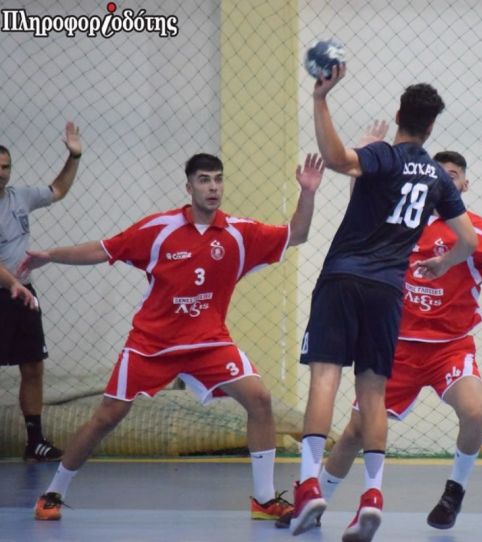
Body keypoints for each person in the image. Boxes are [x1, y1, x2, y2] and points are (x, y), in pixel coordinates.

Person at [23, 152, 325, 521]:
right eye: (204, 180)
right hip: (152, 345)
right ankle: (54, 491)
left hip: (208, 343)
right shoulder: (158, 229)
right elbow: (104, 250)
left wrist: (307, 193)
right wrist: (51, 255)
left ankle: (263, 500)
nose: (213, 187)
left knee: (260, 399)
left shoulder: (239, 234)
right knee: (107, 417)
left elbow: (298, 234)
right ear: (189, 187)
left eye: (217, 179)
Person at [307, 149, 482, 530]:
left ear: (463, 185)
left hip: (450, 347)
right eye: (439, 173)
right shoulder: (400, 222)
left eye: (453, 174)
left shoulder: (475, 231)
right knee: (354, 433)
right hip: (397, 348)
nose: (444, 179)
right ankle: (314, 501)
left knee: (474, 410)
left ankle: (455, 490)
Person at [289, 64, 477, 542]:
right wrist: (442, 264)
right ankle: (372, 494)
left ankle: (310, 483)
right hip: (388, 290)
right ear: (432, 126)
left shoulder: (385, 157)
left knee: (325, 379)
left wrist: (320, 100)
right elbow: (469, 241)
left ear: (398, 115)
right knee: (373, 393)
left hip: (344, 277)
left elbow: (334, 157)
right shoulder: (437, 175)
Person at [0, 122, 81, 463]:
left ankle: (35, 442)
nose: (1, 174)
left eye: (5, 167)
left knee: (33, 366)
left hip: (23, 294)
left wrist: (74, 156)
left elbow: (57, 190)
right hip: (7, 292)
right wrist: (12, 283)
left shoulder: (20, 196)